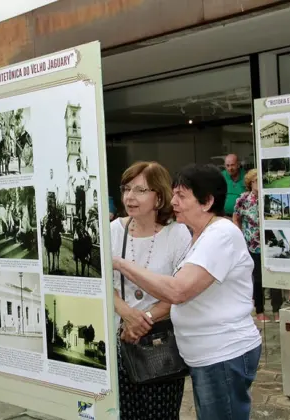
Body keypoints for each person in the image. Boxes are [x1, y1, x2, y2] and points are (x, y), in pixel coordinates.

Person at [114, 164, 262, 420]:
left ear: (206, 202)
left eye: (181, 196)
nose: (174, 202)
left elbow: (178, 290)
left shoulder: (221, 234)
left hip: (223, 352)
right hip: (206, 355)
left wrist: (120, 264)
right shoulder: (201, 235)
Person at [112, 161, 191, 420]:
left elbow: (183, 289)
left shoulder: (177, 234)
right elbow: (100, 281)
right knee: (125, 413)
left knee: (161, 414)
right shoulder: (113, 231)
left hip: (160, 340)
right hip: (120, 338)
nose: (129, 197)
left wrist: (143, 319)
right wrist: (127, 315)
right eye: (126, 189)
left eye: (140, 190)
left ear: (159, 196)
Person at [234, 169, 283, 322]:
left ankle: (277, 311)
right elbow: (236, 218)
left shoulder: (270, 197)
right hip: (252, 244)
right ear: (250, 183)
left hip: (271, 243)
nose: (259, 184)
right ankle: (260, 311)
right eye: (256, 181)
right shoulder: (243, 199)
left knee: (275, 278)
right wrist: (241, 235)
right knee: (258, 279)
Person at [222, 154, 246, 218]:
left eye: (232, 165)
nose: (230, 168)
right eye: (227, 166)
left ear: (238, 165)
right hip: (225, 216)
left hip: (242, 216)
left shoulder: (246, 176)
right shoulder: (221, 176)